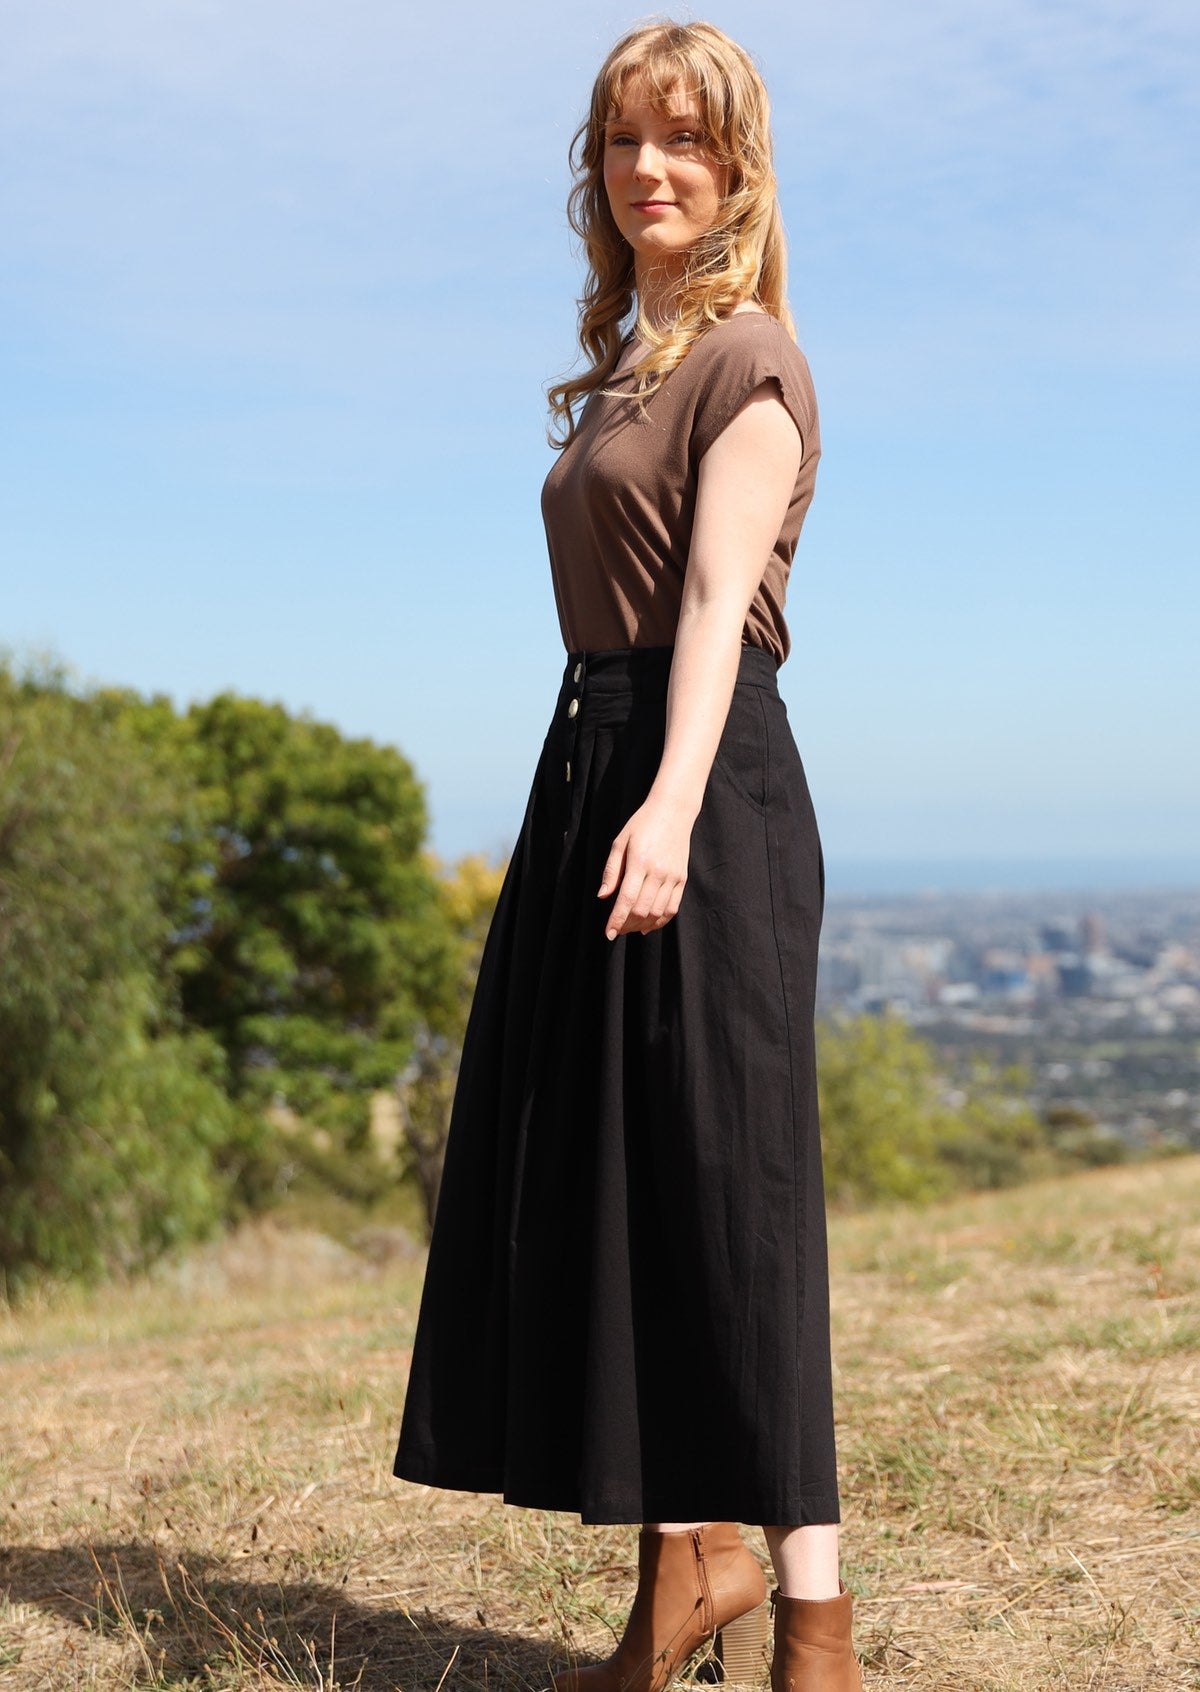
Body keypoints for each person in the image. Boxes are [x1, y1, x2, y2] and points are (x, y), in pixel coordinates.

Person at [393, 19, 864, 1692]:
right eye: (621, 143)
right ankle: (687, 1572)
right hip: (593, 760)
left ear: (737, 167)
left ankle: (815, 1621)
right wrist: (611, 795)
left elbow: (720, 616)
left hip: (699, 784)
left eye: (683, 142)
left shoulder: (748, 361)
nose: (649, 169)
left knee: (738, 1205)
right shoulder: (634, 360)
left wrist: (665, 809)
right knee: (615, 1182)